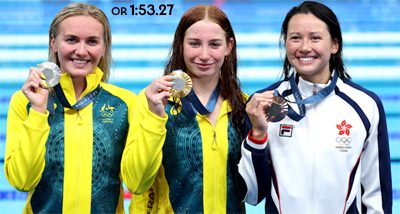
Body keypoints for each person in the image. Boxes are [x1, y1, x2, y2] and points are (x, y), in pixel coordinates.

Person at [236, 1, 392, 213]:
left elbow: (376, 195)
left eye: (315, 38)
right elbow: (252, 195)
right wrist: (258, 133)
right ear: (285, 43)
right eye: (295, 38)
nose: (304, 47)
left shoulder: (365, 105)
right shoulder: (263, 103)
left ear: (335, 45)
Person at [4, 3, 137, 213]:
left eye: (92, 41)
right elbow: (22, 181)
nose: (81, 51)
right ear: (53, 42)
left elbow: (138, 181)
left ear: (104, 47)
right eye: (71, 40)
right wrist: (38, 112)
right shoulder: (24, 101)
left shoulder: (126, 103)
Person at [121, 5, 248, 213]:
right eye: (194, 44)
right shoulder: (152, 100)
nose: (205, 55)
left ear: (229, 46)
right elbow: (136, 183)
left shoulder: (242, 105)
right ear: (181, 44)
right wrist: (155, 117)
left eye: (215, 44)